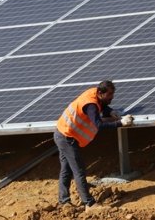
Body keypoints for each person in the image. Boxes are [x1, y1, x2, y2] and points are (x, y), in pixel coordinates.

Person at [54, 80, 134, 210]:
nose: (111, 99)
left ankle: (64, 201)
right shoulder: (90, 104)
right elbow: (99, 125)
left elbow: (102, 105)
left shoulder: (94, 93)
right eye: (109, 96)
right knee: (78, 170)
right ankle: (89, 204)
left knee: (66, 169)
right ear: (100, 93)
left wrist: (110, 111)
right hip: (67, 137)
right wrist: (120, 123)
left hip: (62, 132)